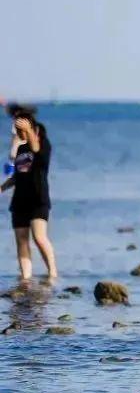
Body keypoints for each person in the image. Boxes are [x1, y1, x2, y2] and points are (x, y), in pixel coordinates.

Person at [1, 105, 58, 281]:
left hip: (38, 199)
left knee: (39, 237)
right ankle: (26, 277)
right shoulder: (20, 149)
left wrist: (29, 130)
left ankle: (52, 273)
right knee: (21, 239)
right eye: (18, 130)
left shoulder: (43, 145)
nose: (19, 133)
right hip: (19, 201)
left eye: (22, 130)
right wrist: (2, 187)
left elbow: (36, 150)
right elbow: (17, 175)